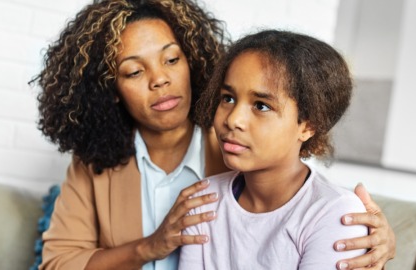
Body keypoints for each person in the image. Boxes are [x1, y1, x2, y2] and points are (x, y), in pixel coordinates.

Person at [32, 0, 395, 269]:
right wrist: (150, 246)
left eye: (171, 60)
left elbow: (307, 202)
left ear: (192, 61)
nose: (160, 79)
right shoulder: (94, 163)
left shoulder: (240, 151)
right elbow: (58, 263)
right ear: (111, 88)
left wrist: (377, 240)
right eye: (133, 72)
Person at [178, 30, 382, 270]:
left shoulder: (335, 212)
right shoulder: (203, 200)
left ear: (308, 126)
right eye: (228, 98)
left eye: (261, 105)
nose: (233, 119)